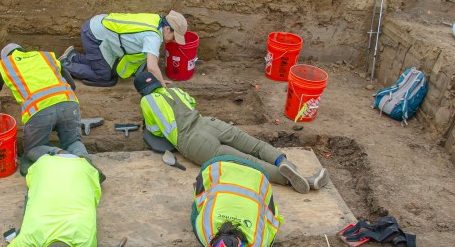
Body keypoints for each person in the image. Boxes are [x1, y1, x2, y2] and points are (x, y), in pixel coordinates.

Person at [134, 71, 328, 194]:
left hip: (193, 141)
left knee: (248, 162)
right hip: (208, 123)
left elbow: (156, 131)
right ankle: (283, 161)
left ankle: (296, 181)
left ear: (142, 91)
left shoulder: (146, 102)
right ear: (159, 84)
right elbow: (192, 103)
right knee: (255, 146)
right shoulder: (173, 90)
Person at [0, 43, 90, 166]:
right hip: (69, 102)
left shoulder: (4, 65)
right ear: (23, 50)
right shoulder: (46, 56)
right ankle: (84, 161)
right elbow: (72, 85)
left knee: (32, 149)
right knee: (73, 142)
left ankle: (61, 155)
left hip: (39, 109)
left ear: (4, 57)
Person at [192, 155, 284, 247]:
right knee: (198, 206)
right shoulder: (205, 231)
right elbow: (195, 216)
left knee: (270, 226)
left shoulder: (256, 246)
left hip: (256, 175)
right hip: (216, 167)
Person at [60, 11, 187, 88]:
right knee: (103, 75)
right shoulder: (153, 36)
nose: (173, 40)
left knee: (105, 67)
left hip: (100, 26)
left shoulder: (157, 20)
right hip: (94, 36)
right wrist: (162, 85)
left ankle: (73, 57)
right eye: (174, 36)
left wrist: (158, 78)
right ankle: (64, 64)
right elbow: (152, 66)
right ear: (167, 28)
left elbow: (153, 56)